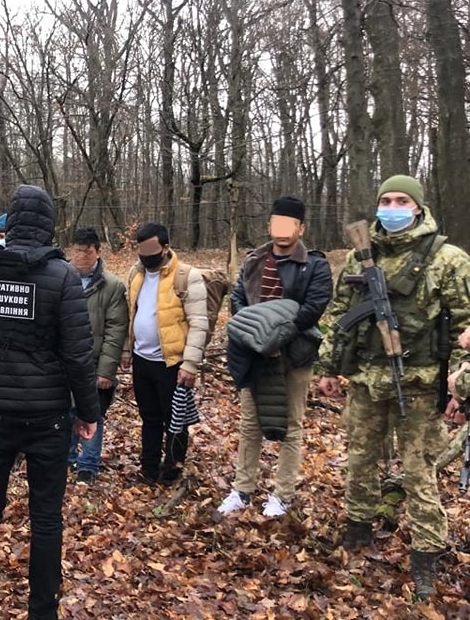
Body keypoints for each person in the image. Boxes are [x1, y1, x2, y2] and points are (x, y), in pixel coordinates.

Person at [316, 175, 470, 600]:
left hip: (420, 386)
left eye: (403, 200)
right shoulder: (360, 257)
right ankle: (357, 532)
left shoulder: (449, 260)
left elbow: (465, 329)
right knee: (360, 461)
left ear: (418, 207)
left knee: (420, 472)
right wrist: (328, 366)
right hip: (366, 381)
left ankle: (425, 557)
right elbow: (341, 315)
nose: (394, 207)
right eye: (387, 200)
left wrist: (461, 386)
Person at [0, 185, 100, 620]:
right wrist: (88, 412)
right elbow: (77, 355)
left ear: (11, 221)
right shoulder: (63, 277)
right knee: (46, 519)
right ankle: (42, 612)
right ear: (50, 225)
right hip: (46, 417)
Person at [215, 197, 332, 518]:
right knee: (250, 425)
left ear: (301, 227)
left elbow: (313, 307)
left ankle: (282, 494)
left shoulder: (315, 265)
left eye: (289, 224)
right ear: (270, 225)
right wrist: (255, 335)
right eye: (276, 223)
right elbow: (238, 299)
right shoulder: (254, 261)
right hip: (254, 354)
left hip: (294, 355)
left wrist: (277, 335)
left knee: (291, 425)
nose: (282, 231)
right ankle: (242, 490)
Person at [121, 222, 208, 485]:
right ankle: (148, 469)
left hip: (172, 362)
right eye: (141, 248)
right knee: (149, 418)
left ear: (165, 247)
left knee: (176, 419)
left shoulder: (186, 277)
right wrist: (127, 351)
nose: (145, 254)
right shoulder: (136, 275)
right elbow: (131, 315)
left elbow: (199, 322)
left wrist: (190, 364)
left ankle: (172, 470)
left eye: (151, 248)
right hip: (142, 360)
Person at [66, 227, 128, 483]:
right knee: (65, 412)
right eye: (77, 250)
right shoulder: (63, 277)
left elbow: (116, 329)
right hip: (64, 361)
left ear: (97, 252)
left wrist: (106, 370)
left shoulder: (111, 286)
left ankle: (88, 464)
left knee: (92, 414)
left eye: (86, 251)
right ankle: (67, 457)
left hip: (93, 361)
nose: (80, 256)